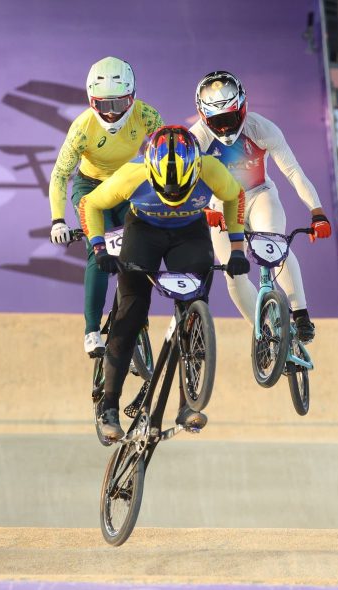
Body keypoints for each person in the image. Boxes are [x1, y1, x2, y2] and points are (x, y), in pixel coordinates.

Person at [79, 125, 248, 441]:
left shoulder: (210, 169)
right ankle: (109, 406)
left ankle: (187, 404)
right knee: (131, 312)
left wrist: (237, 248)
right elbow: (90, 203)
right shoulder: (132, 175)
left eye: (180, 191)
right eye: (165, 191)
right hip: (143, 232)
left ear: (196, 171)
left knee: (193, 315)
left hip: (190, 233)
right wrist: (99, 248)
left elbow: (235, 195)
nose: (172, 198)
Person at [189, 71, 331, 341]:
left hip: (259, 196)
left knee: (274, 244)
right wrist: (205, 208)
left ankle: (301, 314)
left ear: (243, 108)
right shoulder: (196, 138)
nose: (224, 129)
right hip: (221, 206)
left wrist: (317, 212)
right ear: (203, 116)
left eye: (230, 119)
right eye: (217, 122)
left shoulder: (262, 129)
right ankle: (262, 333)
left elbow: (293, 172)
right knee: (233, 274)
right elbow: (186, 183)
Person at [48, 57, 163, 357]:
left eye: (119, 104)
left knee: (138, 249)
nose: (111, 114)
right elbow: (60, 175)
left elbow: (167, 154)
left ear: (133, 97)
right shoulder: (82, 127)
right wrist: (57, 220)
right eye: (103, 105)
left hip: (128, 185)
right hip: (91, 188)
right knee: (98, 251)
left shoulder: (147, 115)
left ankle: (136, 317)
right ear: (91, 101)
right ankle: (91, 330)